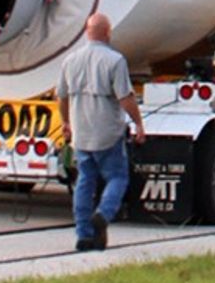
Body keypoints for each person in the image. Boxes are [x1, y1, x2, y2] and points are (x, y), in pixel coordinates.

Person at [55, 13, 146, 252]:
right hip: (108, 133)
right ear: (108, 33)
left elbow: (61, 96)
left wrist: (66, 122)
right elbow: (125, 97)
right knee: (117, 178)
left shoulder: (70, 61)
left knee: (85, 181)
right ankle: (103, 214)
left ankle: (83, 235)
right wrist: (138, 123)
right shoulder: (115, 61)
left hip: (82, 134)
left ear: (87, 32)